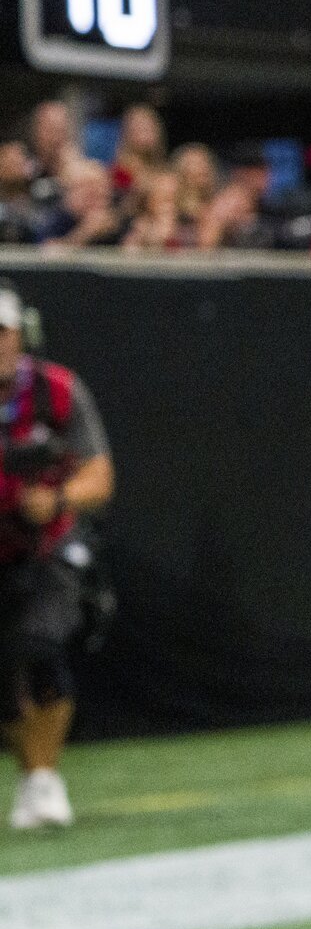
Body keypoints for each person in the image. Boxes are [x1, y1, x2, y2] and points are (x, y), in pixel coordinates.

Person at [0, 286, 113, 829]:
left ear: (21, 335)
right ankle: (32, 774)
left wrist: (58, 499)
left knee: (41, 644)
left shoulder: (58, 391)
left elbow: (99, 475)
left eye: (2, 333)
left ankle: (44, 778)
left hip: (47, 541)